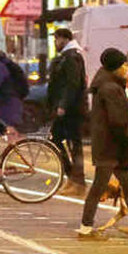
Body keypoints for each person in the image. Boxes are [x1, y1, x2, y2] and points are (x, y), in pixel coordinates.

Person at [80, 49, 128, 241]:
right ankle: (86, 227)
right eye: (124, 65)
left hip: (112, 147)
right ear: (115, 67)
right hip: (111, 146)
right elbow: (118, 121)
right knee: (99, 187)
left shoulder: (109, 85)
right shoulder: (110, 88)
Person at [48, 28, 87, 196]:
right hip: (66, 108)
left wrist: (63, 105)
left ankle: (77, 180)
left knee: (73, 143)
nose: (55, 43)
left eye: (56, 39)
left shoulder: (72, 57)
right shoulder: (67, 56)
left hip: (71, 110)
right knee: (58, 139)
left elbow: (72, 84)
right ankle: (72, 178)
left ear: (63, 39)